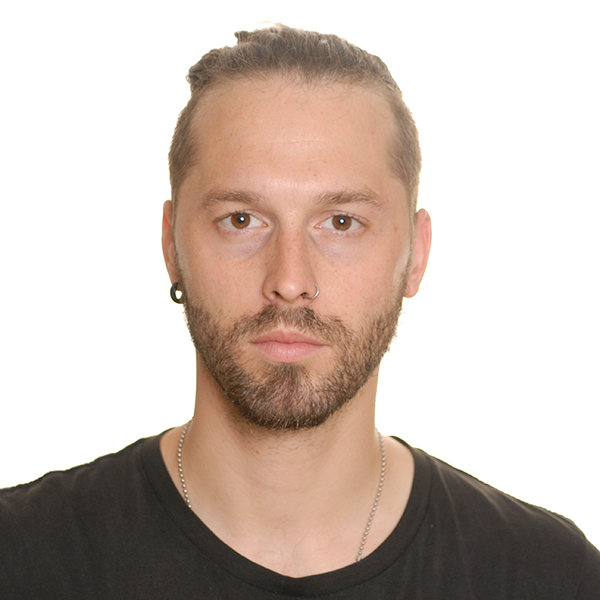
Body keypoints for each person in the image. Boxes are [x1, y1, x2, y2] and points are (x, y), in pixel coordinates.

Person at [1, 25, 598, 599]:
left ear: (416, 256)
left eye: (341, 222)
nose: (289, 281)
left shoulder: (551, 577)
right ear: (171, 246)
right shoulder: (20, 559)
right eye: (241, 220)